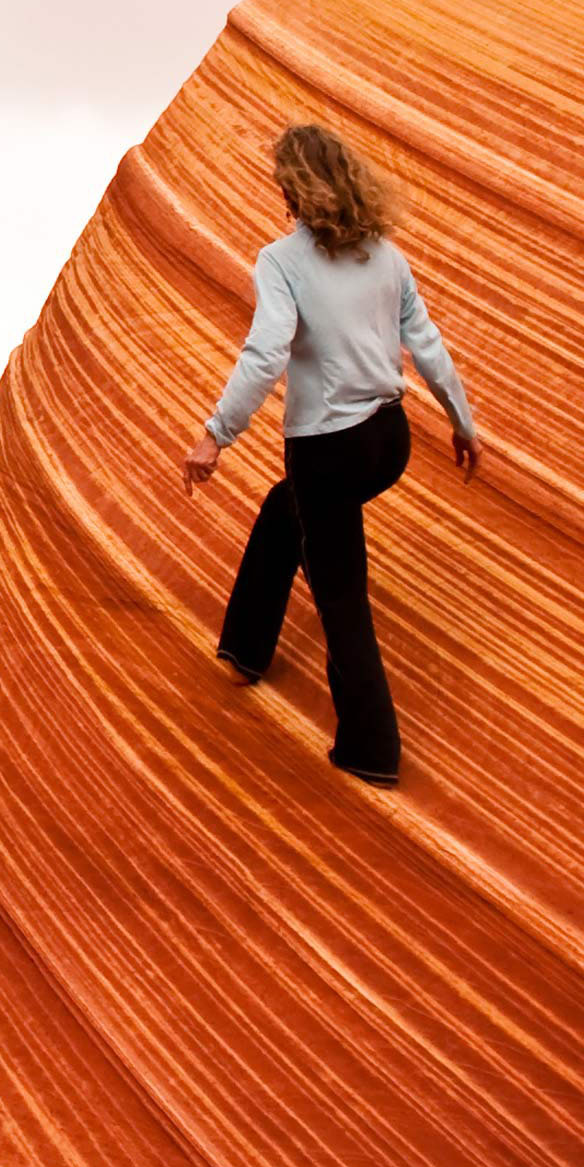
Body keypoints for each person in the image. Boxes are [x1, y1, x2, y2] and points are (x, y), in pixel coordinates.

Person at [182, 122, 481, 787]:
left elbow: (266, 353)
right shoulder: (386, 256)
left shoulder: (282, 261)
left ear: (294, 189)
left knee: (342, 598)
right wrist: (463, 422)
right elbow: (426, 343)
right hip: (388, 440)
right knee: (286, 509)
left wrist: (215, 435)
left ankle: (370, 750)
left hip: (327, 451)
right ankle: (247, 645)